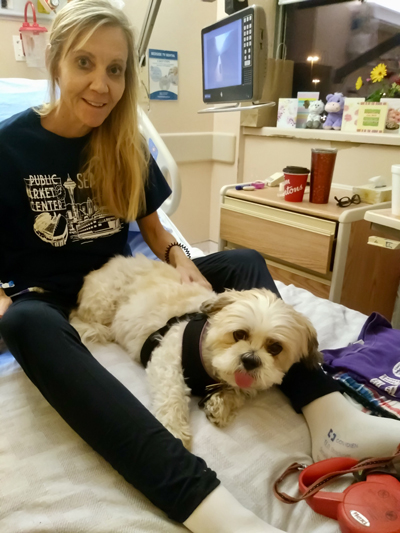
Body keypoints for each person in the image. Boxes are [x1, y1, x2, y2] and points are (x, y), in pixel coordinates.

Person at [0, 2, 399, 532]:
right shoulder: (10, 147)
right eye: (85, 63)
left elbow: (157, 229)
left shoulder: (124, 142)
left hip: (128, 277)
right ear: (55, 62)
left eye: (115, 69)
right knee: (24, 322)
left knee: (243, 260)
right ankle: (207, 508)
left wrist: (180, 259)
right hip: (43, 295)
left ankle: (326, 411)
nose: (101, 84)